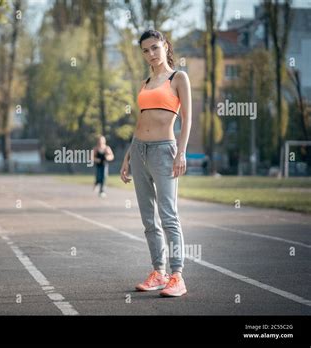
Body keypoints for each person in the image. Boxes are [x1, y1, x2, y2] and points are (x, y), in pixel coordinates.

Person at [120, 30, 192, 297]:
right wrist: (128, 156)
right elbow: (141, 121)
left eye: (154, 48)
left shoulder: (178, 78)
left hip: (164, 151)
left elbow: (187, 119)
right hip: (139, 151)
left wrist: (181, 153)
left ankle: (177, 276)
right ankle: (158, 272)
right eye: (145, 50)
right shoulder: (146, 81)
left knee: (168, 216)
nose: (151, 54)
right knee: (148, 219)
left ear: (165, 46)